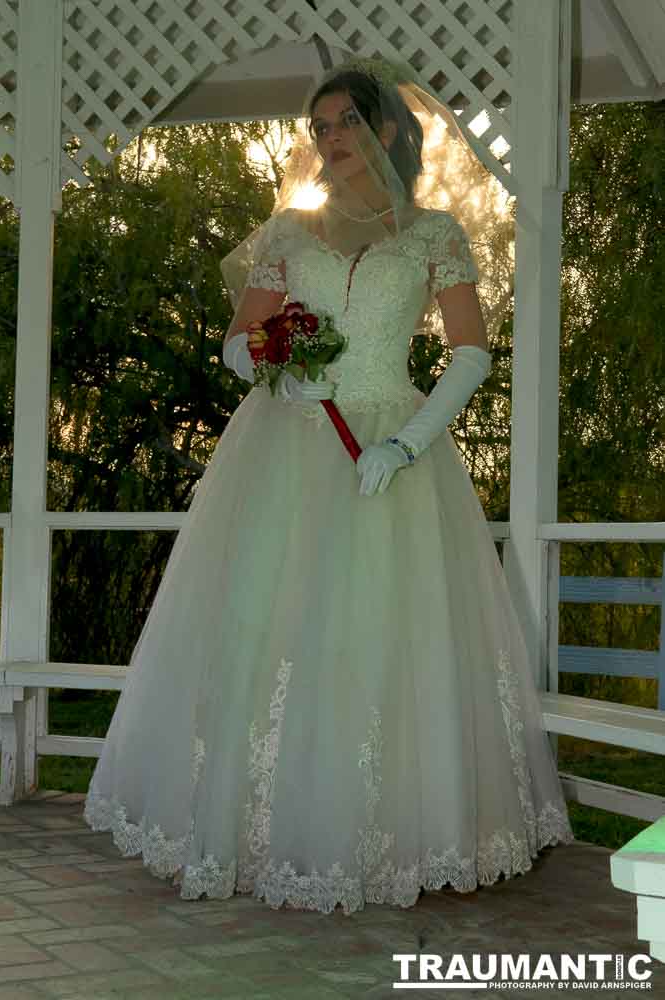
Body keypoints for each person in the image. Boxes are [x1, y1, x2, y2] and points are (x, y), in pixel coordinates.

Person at [83, 56, 574, 915]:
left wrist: (410, 444)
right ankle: (252, 829)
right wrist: (278, 372)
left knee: (375, 632)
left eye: (344, 122)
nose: (330, 140)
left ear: (386, 128)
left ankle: (376, 836)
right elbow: (240, 341)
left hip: (388, 446)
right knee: (265, 625)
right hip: (284, 446)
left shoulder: (433, 234)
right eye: (318, 128)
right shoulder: (287, 234)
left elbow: (469, 356)